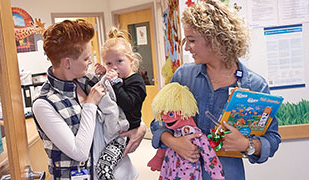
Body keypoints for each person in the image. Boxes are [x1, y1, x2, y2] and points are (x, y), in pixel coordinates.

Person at [151, 1, 281, 180]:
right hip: (182, 173)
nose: (187, 48)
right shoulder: (183, 77)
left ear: (215, 40)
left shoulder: (254, 86)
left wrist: (246, 144)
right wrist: (174, 143)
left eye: (191, 40)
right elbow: (158, 123)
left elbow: (272, 139)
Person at [32, 20, 145, 179]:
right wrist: (90, 105)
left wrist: (141, 128)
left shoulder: (91, 80)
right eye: (86, 58)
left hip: (123, 173)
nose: (91, 61)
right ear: (68, 63)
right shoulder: (45, 104)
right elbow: (80, 152)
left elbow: (127, 108)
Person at [95, 27, 147, 179]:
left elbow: (128, 103)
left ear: (131, 60)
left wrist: (116, 82)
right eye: (109, 63)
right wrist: (103, 74)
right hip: (113, 130)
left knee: (104, 167)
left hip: (125, 135)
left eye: (119, 61)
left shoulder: (136, 80)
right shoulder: (116, 79)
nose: (114, 67)